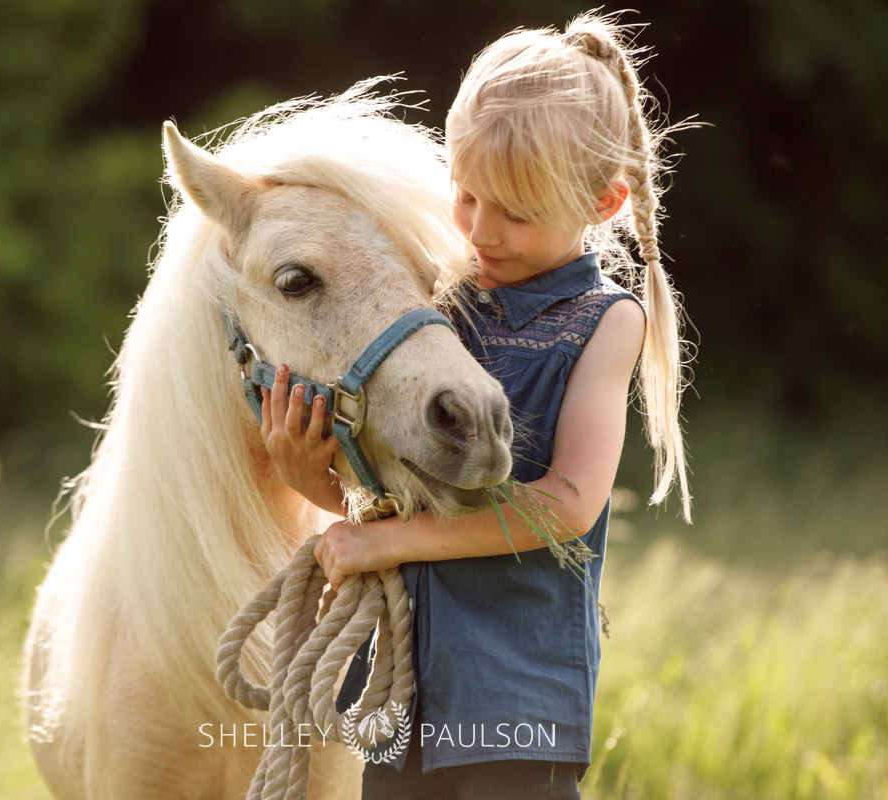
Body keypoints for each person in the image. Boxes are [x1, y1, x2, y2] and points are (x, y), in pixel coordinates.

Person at [259, 14, 691, 800]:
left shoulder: (605, 321)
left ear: (605, 202)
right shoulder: (434, 306)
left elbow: (566, 505)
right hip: (399, 687)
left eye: (517, 215)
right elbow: (384, 499)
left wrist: (392, 545)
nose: (481, 231)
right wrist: (309, 478)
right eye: (465, 195)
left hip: (516, 691)